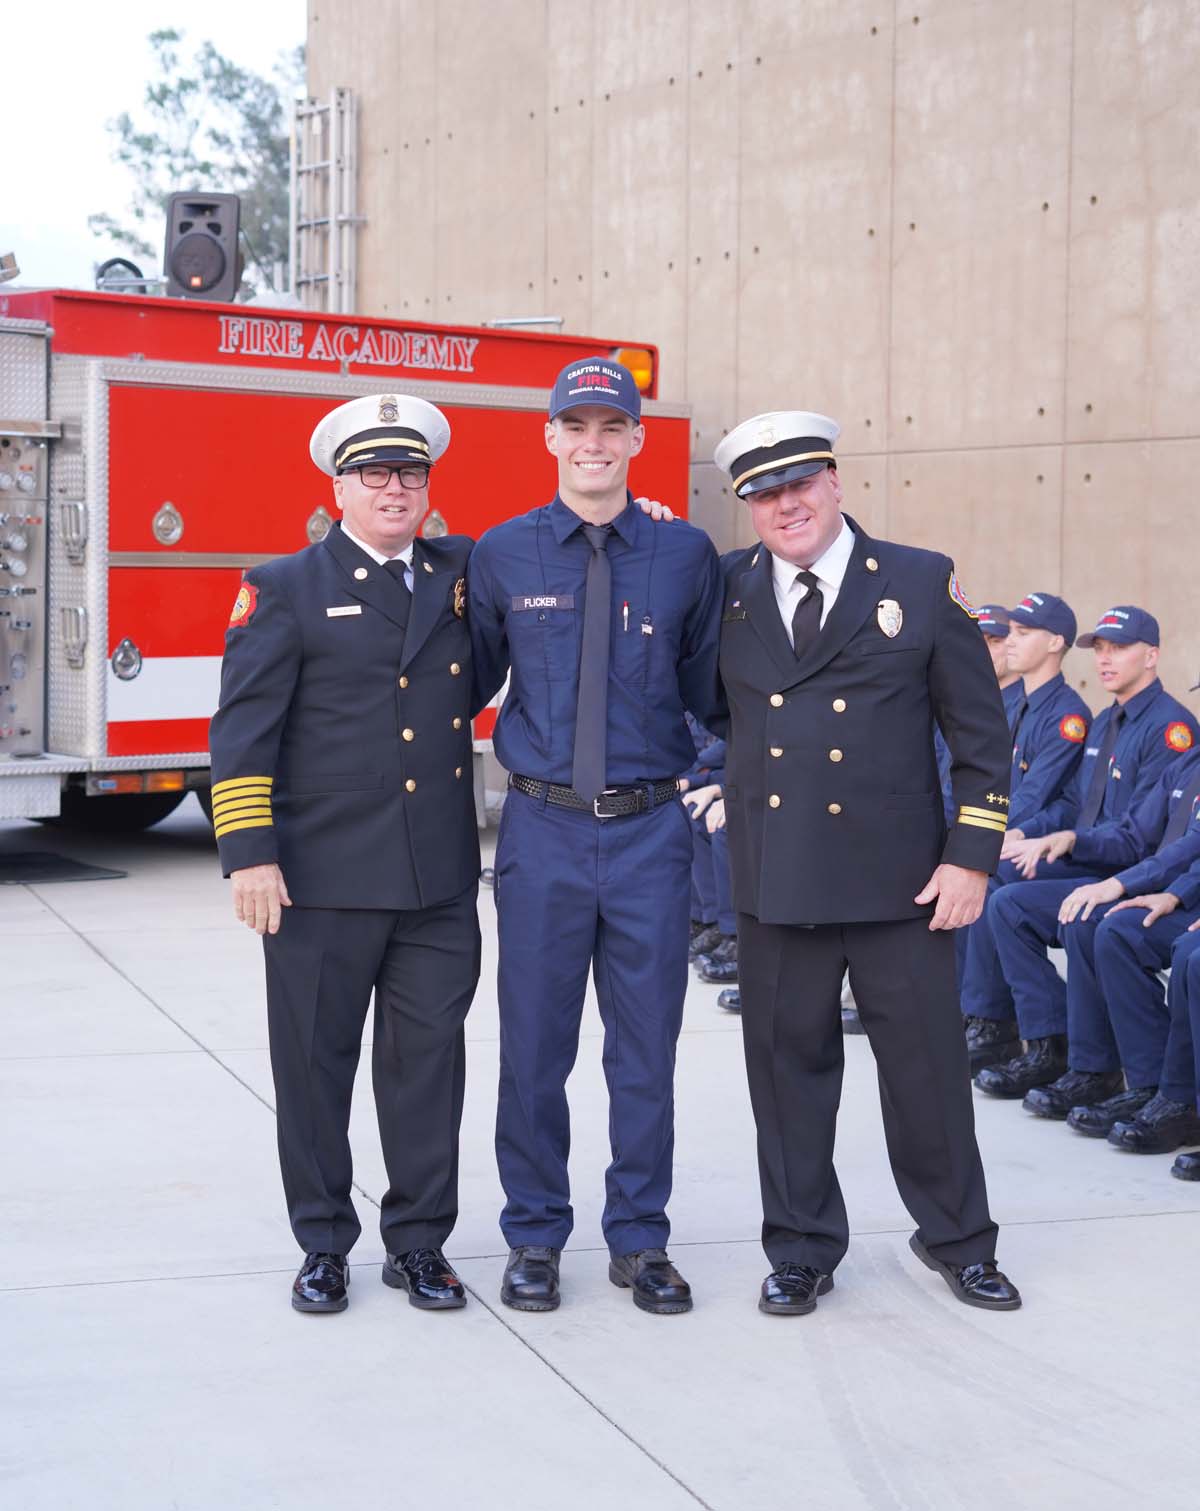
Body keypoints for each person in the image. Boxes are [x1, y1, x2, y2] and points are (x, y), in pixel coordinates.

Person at [711, 409, 1021, 1316]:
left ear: (836, 481)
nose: (785, 504)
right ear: (749, 510)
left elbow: (981, 737)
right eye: (763, 494)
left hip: (905, 884)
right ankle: (802, 1247)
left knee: (925, 1073)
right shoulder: (727, 592)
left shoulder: (920, 582)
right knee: (787, 1074)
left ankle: (959, 1239)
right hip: (780, 878)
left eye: (799, 483)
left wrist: (972, 858)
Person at [208, 394, 481, 1315]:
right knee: (316, 1069)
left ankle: (420, 1243)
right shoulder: (282, 584)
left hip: (436, 880)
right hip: (321, 882)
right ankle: (323, 1240)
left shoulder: (462, 571)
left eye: (410, 471)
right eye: (375, 471)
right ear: (339, 485)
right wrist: (250, 852)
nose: (395, 487)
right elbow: (242, 733)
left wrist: (629, 510)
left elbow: (557, 556)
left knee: (428, 1070)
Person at [467, 356, 723, 1316]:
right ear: (548, 437)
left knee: (645, 1048)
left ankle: (641, 1238)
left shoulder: (685, 553)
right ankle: (534, 1235)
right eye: (576, 426)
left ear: (636, 440)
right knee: (533, 1046)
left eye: (611, 427)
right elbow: (465, 680)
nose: (593, 442)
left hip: (652, 830)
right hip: (543, 831)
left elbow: (714, 690)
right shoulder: (501, 552)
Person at [974, 608, 1198, 1097]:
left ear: (1153, 656)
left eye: (1118, 648)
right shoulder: (1105, 723)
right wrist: (1035, 833)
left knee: (1080, 916)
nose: (1105, 660)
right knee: (1004, 895)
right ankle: (1047, 1041)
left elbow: (1150, 840)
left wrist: (1084, 848)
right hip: (1106, 860)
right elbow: (1079, 805)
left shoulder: (1171, 730)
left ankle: (1124, 1075)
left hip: (1127, 869)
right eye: (1099, 649)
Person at [960, 593, 1092, 1070]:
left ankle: (993, 1022)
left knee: (985, 880)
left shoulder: (1067, 714)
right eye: (1009, 633)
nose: (1010, 642)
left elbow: (1041, 798)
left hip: (1055, 846)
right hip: (1021, 835)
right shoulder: (1021, 706)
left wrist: (998, 834)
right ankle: (969, 1010)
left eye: (1022, 633)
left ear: (1056, 643)